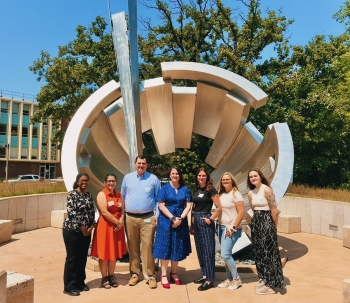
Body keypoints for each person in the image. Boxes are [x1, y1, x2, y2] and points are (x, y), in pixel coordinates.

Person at [121, 155, 161, 289]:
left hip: (148, 217)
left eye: (143, 163)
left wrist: (157, 215)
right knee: (132, 246)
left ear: (147, 165)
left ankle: (150, 276)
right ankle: (134, 274)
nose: (141, 165)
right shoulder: (127, 178)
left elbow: (158, 199)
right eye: (139, 163)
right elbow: (123, 196)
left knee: (148, 246)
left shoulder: (153, 179)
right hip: (130, 217)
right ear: (135, 164)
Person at [153, 167, 192, 289]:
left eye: (177, 173)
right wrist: (172, 218)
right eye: (172, 173)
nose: (175, 175)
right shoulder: (164, 188)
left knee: (177, 247)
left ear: (180, 175)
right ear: (170, 175)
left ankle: (174, 273)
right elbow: (161, 205)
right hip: (166, 221)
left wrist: (180, 218)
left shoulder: (185, 189)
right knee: (165, 246)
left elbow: (188, 205)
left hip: (181, 221)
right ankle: (163, 274)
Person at [247, 168, 284, 295]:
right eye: (251, 177)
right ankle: (264, 278)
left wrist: (274, 227)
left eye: (255, 176)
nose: (253, 178)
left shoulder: (267, 190)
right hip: (257, 222)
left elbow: (274, 210)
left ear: (260, 177)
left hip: (267, 222)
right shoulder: (251, 193)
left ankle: (271, 284)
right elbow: (253, 209)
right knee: (259, 252)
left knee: (269, 253)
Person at [91, 173, 127, 289]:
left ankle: (111, 276)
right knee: (104, 253)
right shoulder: (102, 194)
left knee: (113, 253)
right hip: (105, 227)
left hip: (117, 228)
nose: (111, 183)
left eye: (113, 181)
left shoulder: (118, 194)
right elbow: (105, 212)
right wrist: (118, 222)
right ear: (105, 182)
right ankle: (104, 278)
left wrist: (120, 221)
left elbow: (122, 210)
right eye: (109, 181)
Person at [63, 173, 95, 296]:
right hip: (72, 231)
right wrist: (83, 229)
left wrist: (91, 227)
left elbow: (92, 212)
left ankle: (80, 282)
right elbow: (72, 214)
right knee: (73, 258)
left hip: (86, 232)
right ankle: (69, 286)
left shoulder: (88, 195)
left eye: (86, 181)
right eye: (82, 180)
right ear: (77, 182)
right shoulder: (72, 195)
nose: (84, 183)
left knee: (82, 257)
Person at [191, 168, 222, 291]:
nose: (201, 177)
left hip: (205, 219)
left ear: (207, 177)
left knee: (208, 250)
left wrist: (211, 219)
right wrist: (192, 224)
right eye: (199, 175)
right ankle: (204, 275)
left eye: (203, 175)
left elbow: (219, 207)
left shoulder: (211, 189)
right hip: (196, 220)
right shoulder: (196, 189)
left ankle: (209, 280)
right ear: (197, 177)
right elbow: (194, 206)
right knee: (200, 249)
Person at [216, 172, 245, 290]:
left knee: (225, 254)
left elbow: (241, 212)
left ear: (232, 181)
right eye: (223, 180)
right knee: (226, 255)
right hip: (221, 227)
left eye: (227, 179)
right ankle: (229, 279)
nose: (225, 181)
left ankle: (236, 279)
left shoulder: (236, 194)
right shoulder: (221, 194)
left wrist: (233, 228)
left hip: (231, 228)